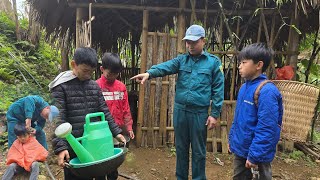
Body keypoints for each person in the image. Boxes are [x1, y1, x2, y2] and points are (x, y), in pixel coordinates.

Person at [131, 24, 224, 179]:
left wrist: (214, 114)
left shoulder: (213, 63)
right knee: (180, 148)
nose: (190, 45)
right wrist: (149, 73)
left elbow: (218, 89)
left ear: (203, 41)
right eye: (188, 42)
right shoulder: (182, 60)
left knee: (199, 150)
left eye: (194, 42)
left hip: (199, 113)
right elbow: (166, 67)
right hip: (180, 111)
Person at [49, 47, 126, 180]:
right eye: (85, 71)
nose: (88, 75)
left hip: (95, 141)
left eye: (91, 72)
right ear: (74, 64)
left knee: (99, 173)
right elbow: (58, 118)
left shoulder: (94, 86)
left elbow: (104, 111)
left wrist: (116, 132)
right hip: (74, 146)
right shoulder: (61, 87)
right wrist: (61, 147)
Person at [228, 43, 283, 180]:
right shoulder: (243, 88)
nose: (239, 66)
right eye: (240, 62)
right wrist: (232, 140)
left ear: (259, 65)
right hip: (241, 150)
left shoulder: (267, 91)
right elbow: (238, 118)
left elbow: (267, 128)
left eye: (244, 62)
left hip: (257, 155)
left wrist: (255, 155)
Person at [96, 52, 135, 180]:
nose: (112, 76)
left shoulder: (121, 87)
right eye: (109, 73)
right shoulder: (96, 86)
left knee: (113, 162)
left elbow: (126, 109)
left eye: (116, 74)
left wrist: (129, 128)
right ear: (102, 69)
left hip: (116, 132)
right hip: (100, 133)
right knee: (100, 163)